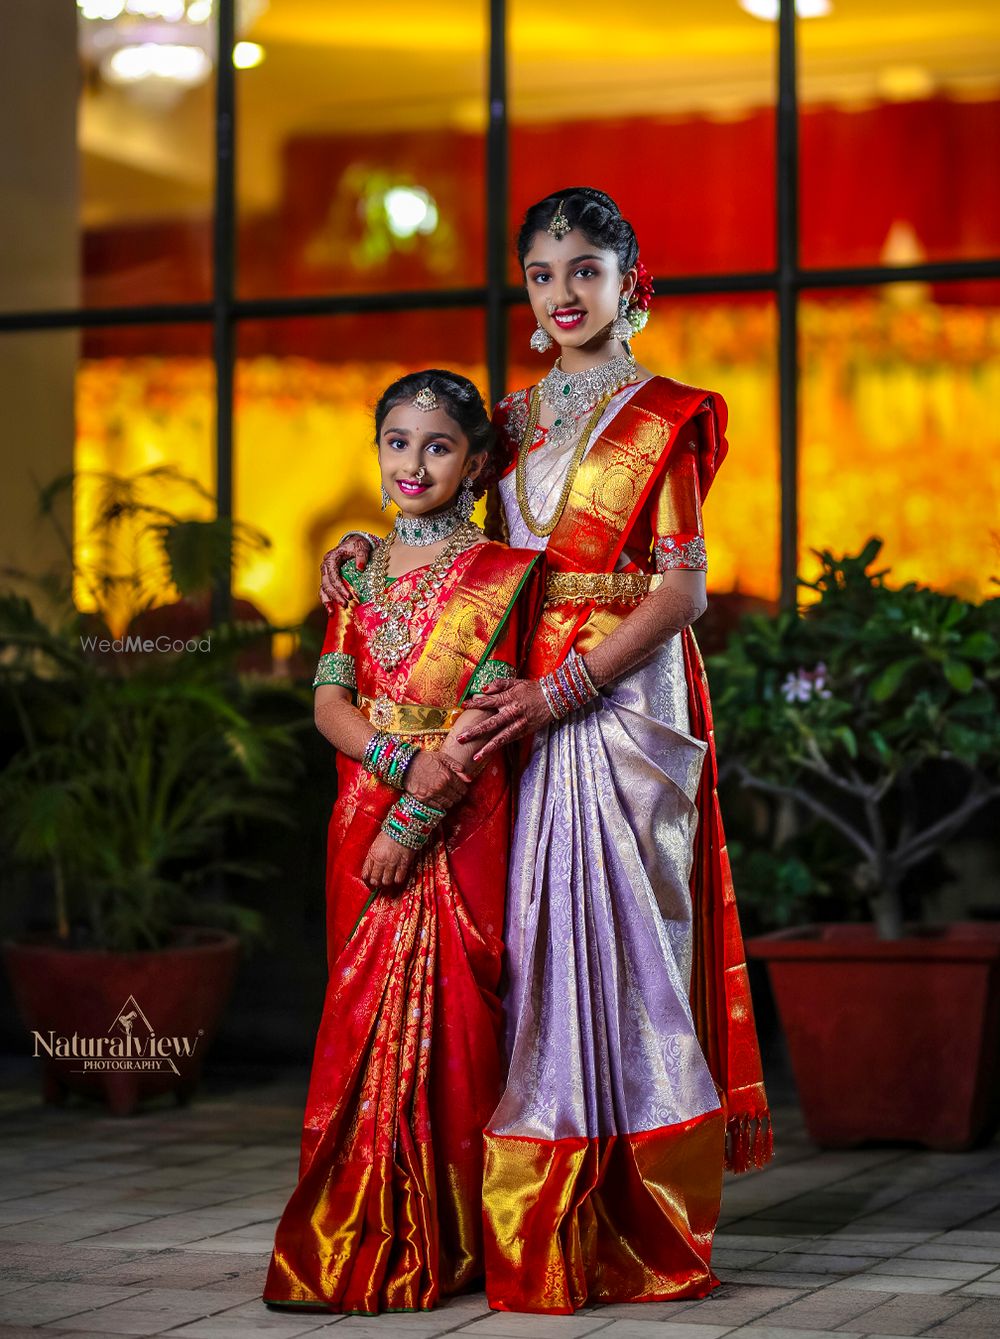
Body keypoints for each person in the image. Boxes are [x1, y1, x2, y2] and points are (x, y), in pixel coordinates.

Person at [320, 189, 772, 1315]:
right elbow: (449, 529)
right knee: (528, 957)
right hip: (503, 701)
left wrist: (563, 689)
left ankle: (632, 1224)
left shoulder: (662, 415)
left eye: (585, 270)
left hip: (612, 703)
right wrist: (366, 542)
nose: (562, 294)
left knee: (621, 959)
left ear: (632, 285)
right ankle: (522, 1220)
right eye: (541, 274)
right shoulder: (509, 421)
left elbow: (683, 591)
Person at [263, 370, 545, 1316]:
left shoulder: (503, 576)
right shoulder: (359, 571)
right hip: (361, 809)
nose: (413, 463)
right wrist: (392, 767)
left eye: (437, 446)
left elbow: (486, 709)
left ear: (472, 462)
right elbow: (328, 702)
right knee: (356, 1020)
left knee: (459, 1022)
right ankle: (351, 1226)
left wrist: (416, 817)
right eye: (397, 442)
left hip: (458, 818)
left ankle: (452, 1236)